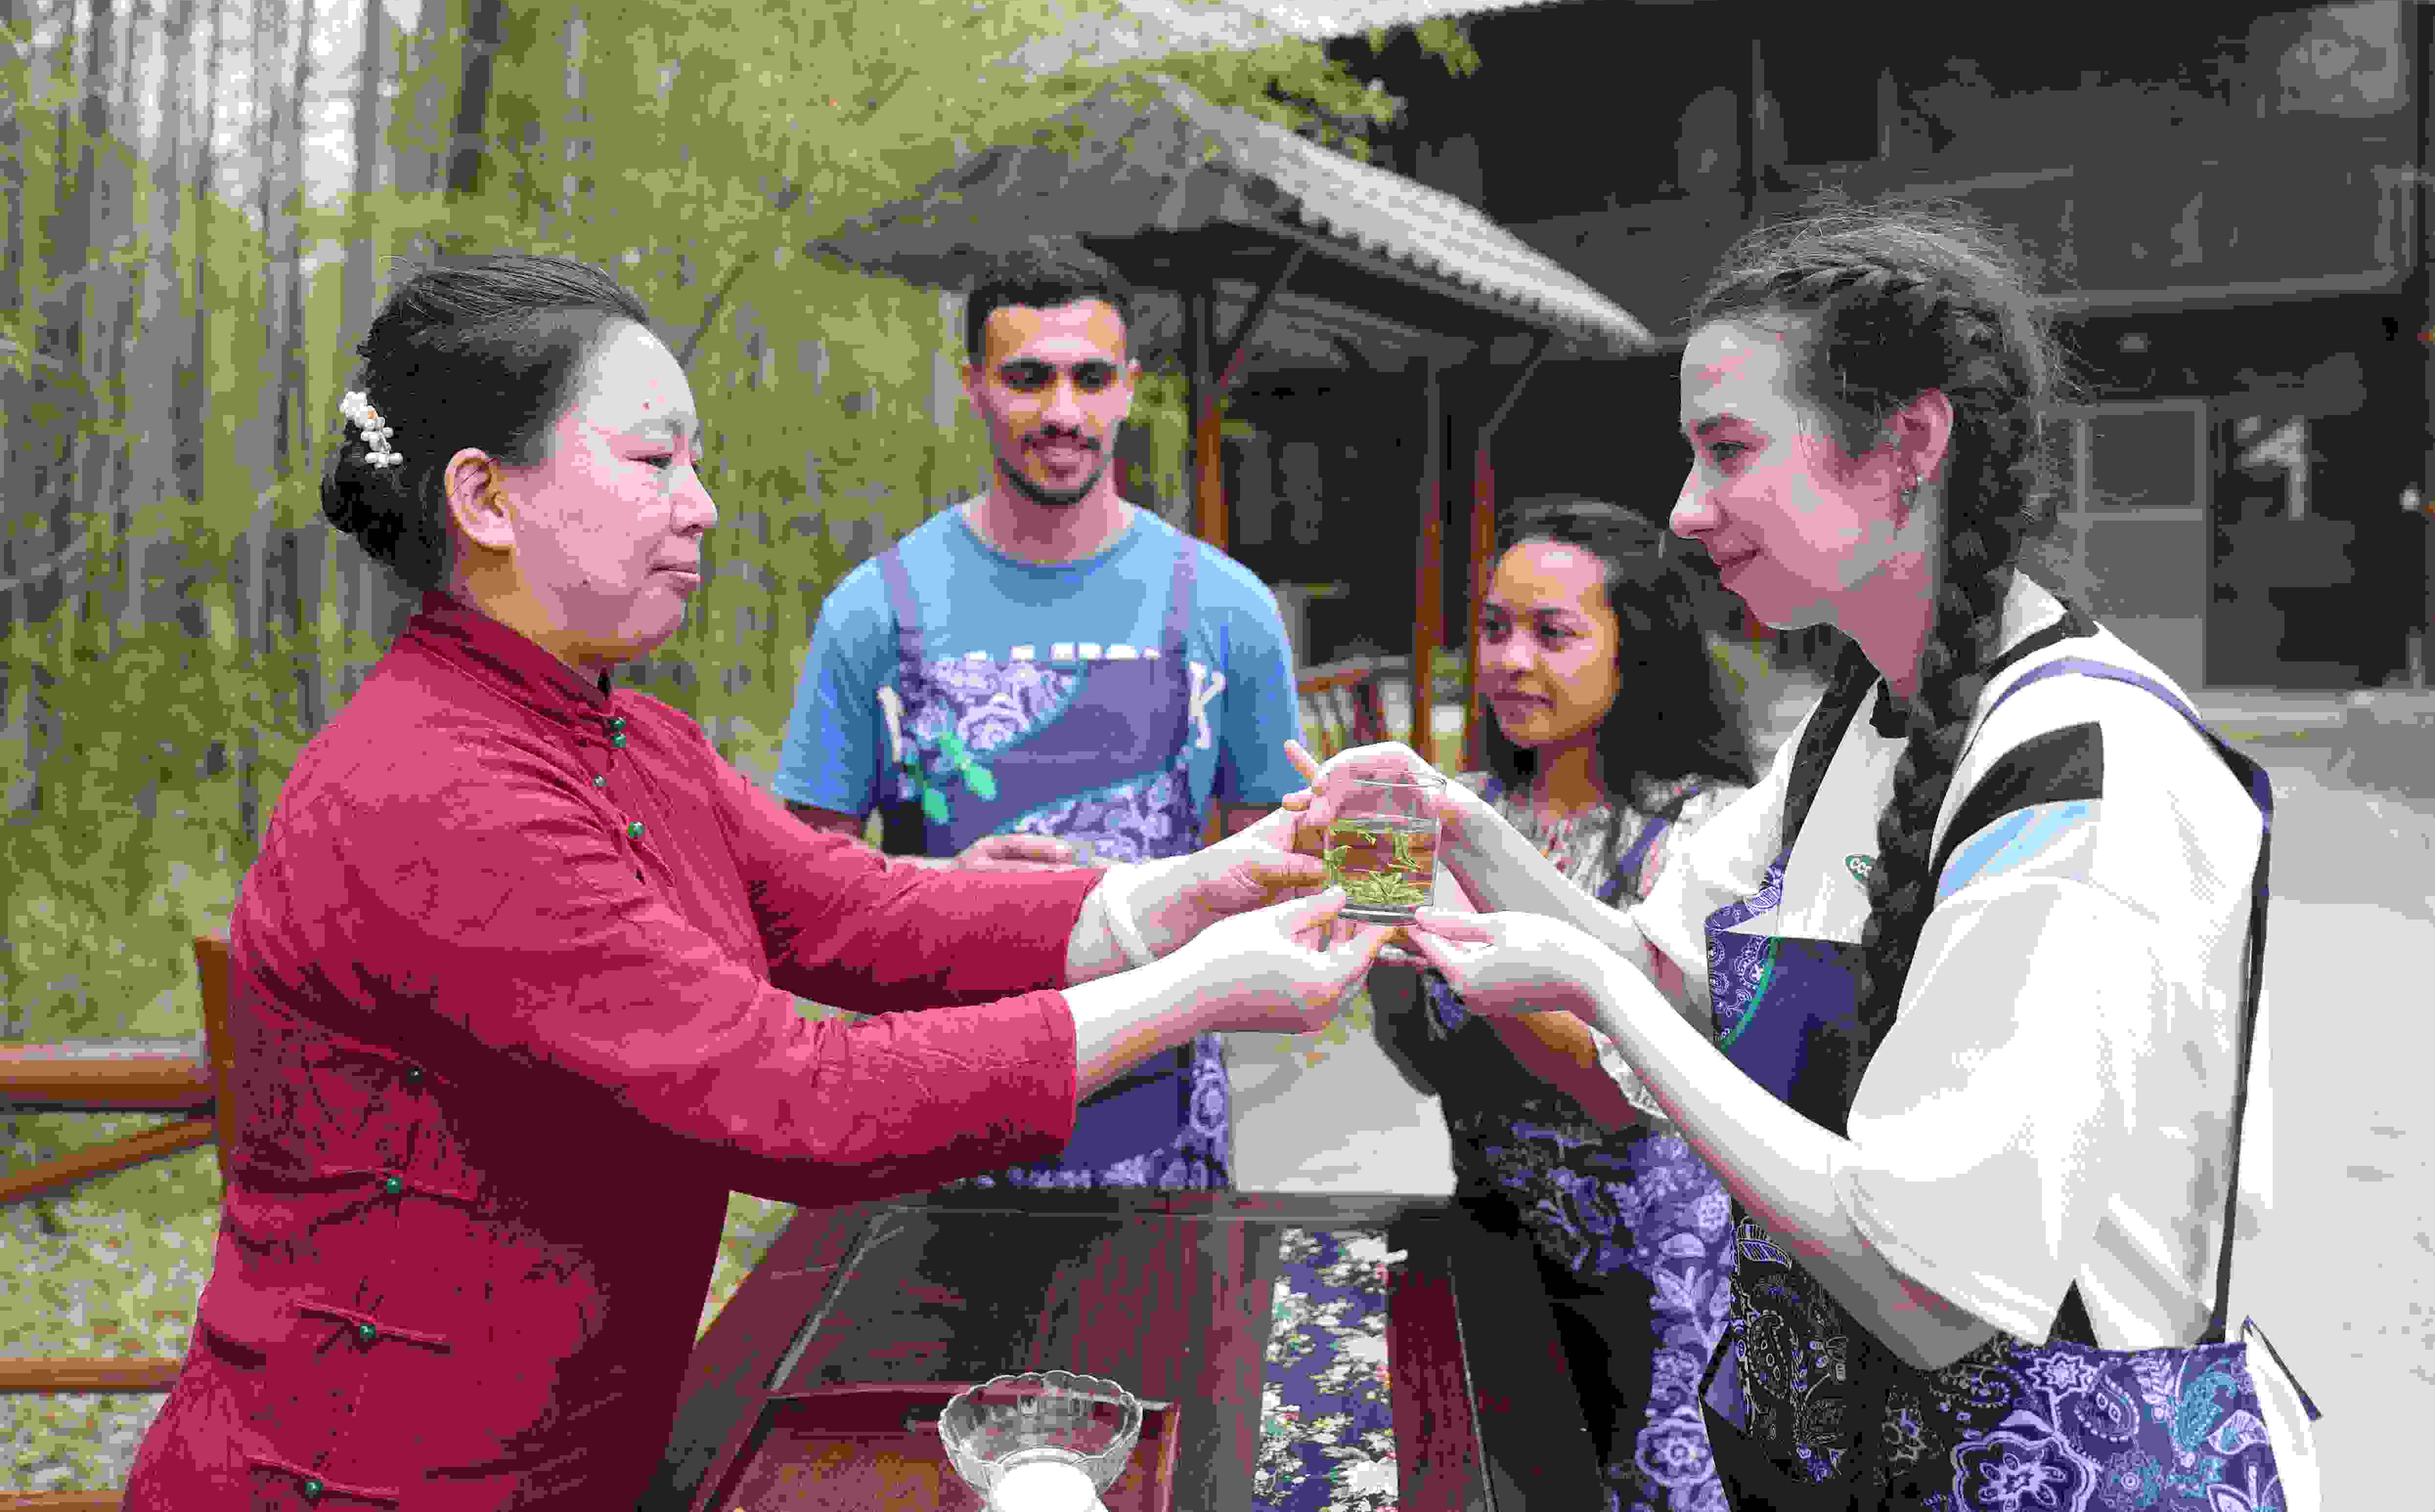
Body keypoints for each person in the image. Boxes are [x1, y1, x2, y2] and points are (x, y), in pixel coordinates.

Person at [122, 254, 1389, 1512]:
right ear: (486, 499)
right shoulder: (436, 789)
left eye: (696, 462)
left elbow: (857, 907)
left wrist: (1184, 888)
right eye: (654, 460)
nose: (703, 506)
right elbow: (796, 1093)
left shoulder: (633, 737)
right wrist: (1191, 988)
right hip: (365, 1476)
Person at [1293, 197, 2319, 1512]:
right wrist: (1466, 829)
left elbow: (1934, 1289)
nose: (1685, 510)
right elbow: (1678, 973)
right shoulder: (1855, 721)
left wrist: (1594, 992)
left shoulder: (2080, 772)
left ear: (1910, 444)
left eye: (1727, 450)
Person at [773, 242, 1307, 1189]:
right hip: (930, 1135)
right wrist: (949, 892)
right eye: (1028, 378)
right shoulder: (876, 611)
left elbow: (1272, 880)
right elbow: (796, 897)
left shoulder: (1230, 612)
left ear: (1129, 388)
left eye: (1090, 378)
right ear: (974, 386)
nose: (1063, 412)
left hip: (1163, 1140)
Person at [1359, 497, 1758, 1512]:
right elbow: (1424, 1065)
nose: (1510, 660)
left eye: (1553, 632)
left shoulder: (1706, 837)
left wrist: (1470, 961)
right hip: (1493, 1249)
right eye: (1495, 628)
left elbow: (1619, 1090)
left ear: (1639, 649)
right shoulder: (1470, 809)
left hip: (1651, 1285)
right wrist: (1377, 948)